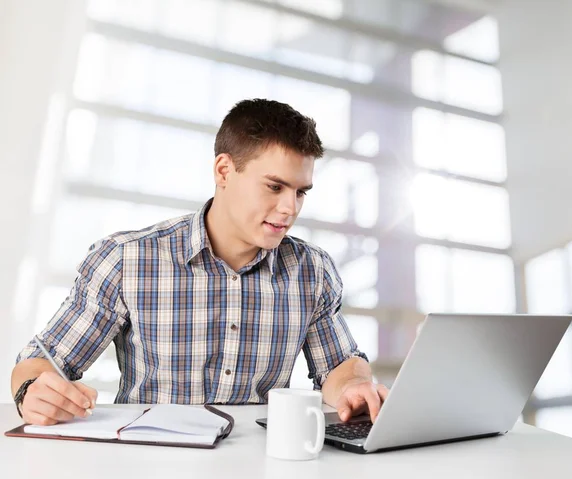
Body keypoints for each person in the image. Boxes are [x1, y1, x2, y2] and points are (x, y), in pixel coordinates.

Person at [11, 98, 388, 426]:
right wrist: (33, 391)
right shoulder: (127, 259)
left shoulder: (312, 271)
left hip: (260, 464)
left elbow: (339, 365)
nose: (290, 208)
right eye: (274, 187)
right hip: (149, 462)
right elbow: (40, 364)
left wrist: (355, 386)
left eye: (300, 192)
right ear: (224, 171)